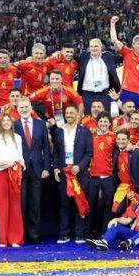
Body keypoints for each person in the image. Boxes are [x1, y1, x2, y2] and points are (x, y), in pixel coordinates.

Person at [87, 182, 139, 251]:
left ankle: (130, 243)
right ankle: (104, 242)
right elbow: (128, 220)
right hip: (137, 234)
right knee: (115, 225)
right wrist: (117, 219)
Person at [53, 105, 93, 244]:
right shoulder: (59, 131)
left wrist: (79, 166)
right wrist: (56, 168)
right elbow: (56, 152)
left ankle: (80, 234)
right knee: (64, 204)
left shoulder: (85, 131)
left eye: (72, 113)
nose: (69, 115)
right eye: (67, 113)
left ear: (77, 115)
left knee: (79, 203)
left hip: (79, 173)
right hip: (64, 173)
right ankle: (64, 234)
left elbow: (89, 152)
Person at [14, 97, 51, 245]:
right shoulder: (14, 125)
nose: (24, 109)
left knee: (35, 204)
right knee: (21, 205)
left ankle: (34, 235)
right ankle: (20, 236)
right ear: (18, 110)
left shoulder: (40, 124)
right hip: (20, 170)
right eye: (21, 107)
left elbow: (46, 148)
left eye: (26, 107)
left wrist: (46, 168)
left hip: (37, 169)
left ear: (31, 108)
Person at [0, 114, 25, 247]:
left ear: (11, 122)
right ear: (0, 123)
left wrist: (19, 165)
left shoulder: (18, 138)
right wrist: (7, 163)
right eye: (3, 120)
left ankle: (15, 239)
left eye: (8, 120)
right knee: (2, 206)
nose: (5, 122)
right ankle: (3, 239)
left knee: (15, 205)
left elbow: (20, 156)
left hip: (14, 173)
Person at [110, 15, 139, 111]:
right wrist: (112, 23)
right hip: (126, 91)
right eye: (138, 43)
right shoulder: (127, 53)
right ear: (133, 45)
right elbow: (114, 40)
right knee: (124, 115)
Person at [112, 129, 139, 214]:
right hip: (122, 187)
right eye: (119, 139)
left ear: (128, 140)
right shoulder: (116, 152)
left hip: (136, 188)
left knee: (137, 213)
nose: (121, 141)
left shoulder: (136, 152)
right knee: (117, 211)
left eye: (123, 139)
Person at [87, 113, 118, 235]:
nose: (103, 123)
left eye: (105, 121)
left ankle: (106, 232)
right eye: (101, 121)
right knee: (91, 204)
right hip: (93, 176)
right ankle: (89, 231)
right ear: (97, 123)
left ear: (110, 123)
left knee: (108, 204)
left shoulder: (114, 136)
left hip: (108, 176)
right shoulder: (91, 136)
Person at [77, 38, 121, 115]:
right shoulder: (84, 56)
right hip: (88, 94)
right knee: (89, 117)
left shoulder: (108, 56)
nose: (93, 48)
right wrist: (58, 53)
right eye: (91, 46)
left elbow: (123, 57)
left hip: (104, 93)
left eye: (96, 46)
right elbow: (70, 56)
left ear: (101, 47)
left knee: (105, 116)